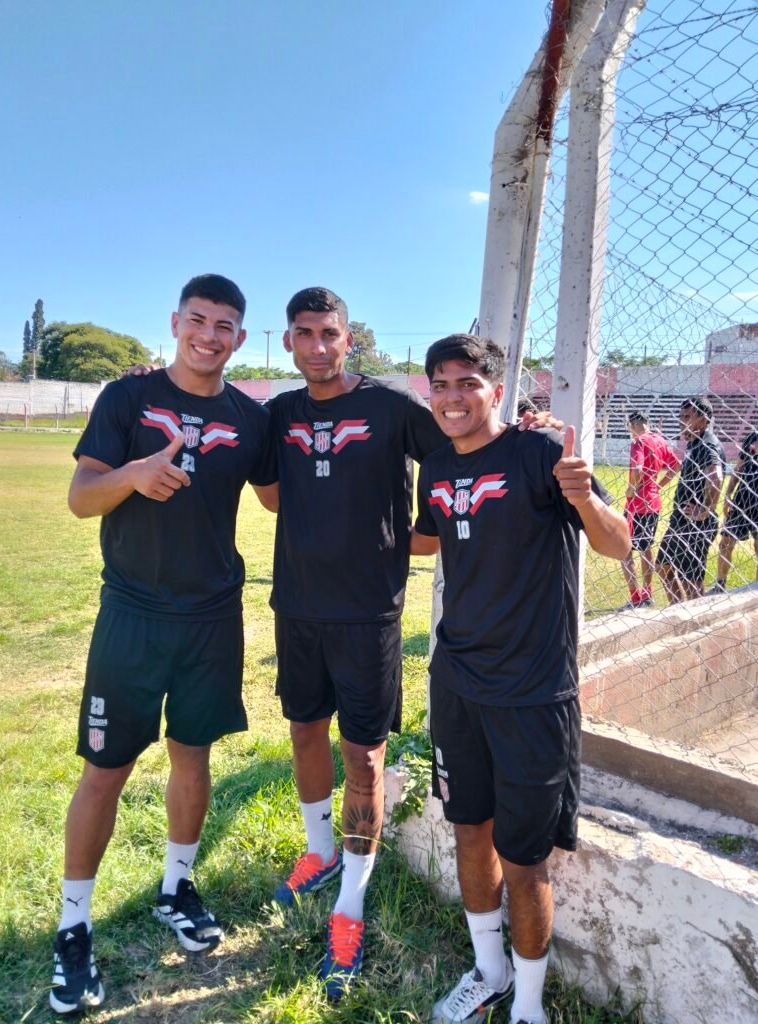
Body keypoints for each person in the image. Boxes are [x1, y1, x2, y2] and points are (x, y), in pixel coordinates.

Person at [265, 288, 557, 999]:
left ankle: (350, 905)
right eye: (304, 334)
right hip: (296, 605)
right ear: (288, 341)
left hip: (369, 611)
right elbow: (268, 492)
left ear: (349, 339)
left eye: (330, 333)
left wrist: (529, 429)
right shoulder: (278, 414)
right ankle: (319, 852)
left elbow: (468, 439)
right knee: (304, 731)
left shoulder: (395, 409)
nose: (318, 346)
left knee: (363, 756)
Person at [50, 275, 276, 1015]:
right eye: (199, 321)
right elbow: (81, 499)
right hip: (134, 614)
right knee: (105, 770)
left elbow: (281, 495)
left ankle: (177, 885)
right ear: (177, 322)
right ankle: (73, 925)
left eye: (224, 326)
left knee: (193, 755)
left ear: (239, 338)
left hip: (212, 617)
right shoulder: (128, 398)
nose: (210, 336)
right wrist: (135, 474)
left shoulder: (250, 418)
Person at [409, 334, 629, 1024]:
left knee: (525, 858)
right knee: (468, 830)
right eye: (440, 384)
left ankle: (528, 1008)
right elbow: (429, 534)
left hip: (532, 693)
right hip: (456, 682)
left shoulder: (540, 453)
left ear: (496, 392)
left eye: (468, 383)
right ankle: (489, 971)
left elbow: (618, 543)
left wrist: (584, 498)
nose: (453, 397)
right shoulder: (434, 466)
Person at [655, 398, 725, 603]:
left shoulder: (707, 445)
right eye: (680, 416)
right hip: (681, 521)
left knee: (691, 582)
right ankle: (679, 609)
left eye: (687, 417)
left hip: (695, 525)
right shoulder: (694, 442)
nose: (681, 421)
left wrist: (704, 510)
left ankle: (697, 616)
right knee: (662, 566)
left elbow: (716, 477)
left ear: (703, 419)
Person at [620, 410, 680, 608]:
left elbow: (637, 469)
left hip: (636, 505)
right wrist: (658, 486)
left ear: (633, 425)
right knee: (645, 548)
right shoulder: (660, 440)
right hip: (653, 503)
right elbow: (676, 465)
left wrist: (632, 489)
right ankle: (647, 593)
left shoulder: (638, 442)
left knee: (625, 550)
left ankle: (636, 598)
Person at [709, 429, 758, 593]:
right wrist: (728, 494)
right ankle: (720, 585)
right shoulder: (753, 436)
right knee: (725, 542)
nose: (753, 447)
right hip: (741, 500)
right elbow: (739, 467)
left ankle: (755, 591)